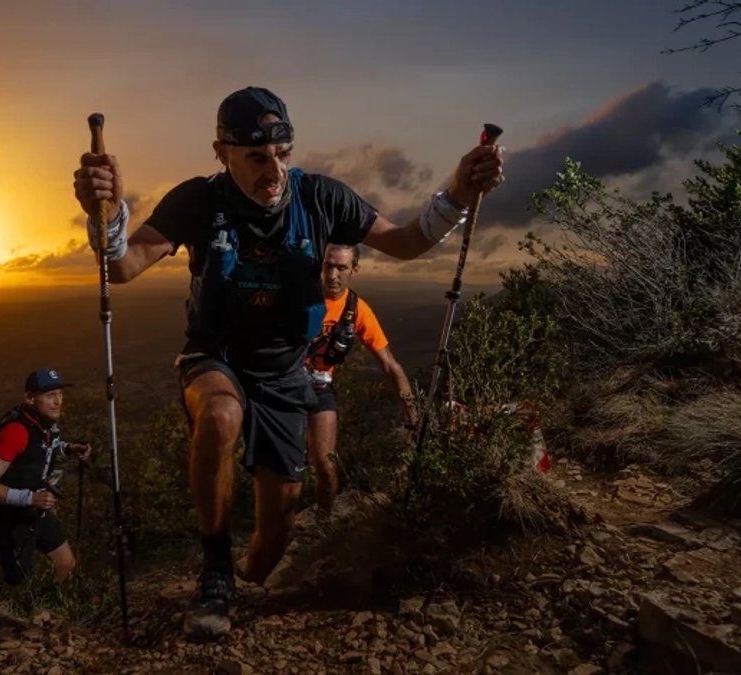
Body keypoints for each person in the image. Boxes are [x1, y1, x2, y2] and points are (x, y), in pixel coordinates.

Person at [71, 86, 504, 638]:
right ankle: (215, 572)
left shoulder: (323, 198)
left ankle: (247, 581)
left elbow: (405, 242)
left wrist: (459, 192)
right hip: (216, 354)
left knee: (274, 538)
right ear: (221, 152)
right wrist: (106, 214)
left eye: (283, 153)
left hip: (284, 370)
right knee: (221, 417)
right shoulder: (199, 201)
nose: (272, 170)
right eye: (256, 157)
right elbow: (126, 265)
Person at [304, 242, 417, 520]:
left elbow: (390, 365)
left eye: (341, 268)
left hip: (319, 386)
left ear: (354, 270)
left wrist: (413, 418)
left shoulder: (356, 310)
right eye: (328, 266)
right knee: (283, 468)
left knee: (326, 466)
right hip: (284, 384)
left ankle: (322, 521)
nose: (333, 275)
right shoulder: (300, 297)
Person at [0, 368, 92, 586]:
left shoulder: (43, 425)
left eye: (60, 394)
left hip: (38, 511)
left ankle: (48, 610)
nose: (58, 401)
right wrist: (31, 498)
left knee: (66, 563)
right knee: (20, 583)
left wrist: (69, 448)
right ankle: (25, 616)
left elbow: (42, 447)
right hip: (14, 519)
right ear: (30, 398)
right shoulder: (16, 431)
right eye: (49, 395)